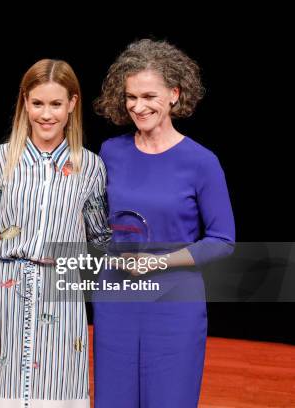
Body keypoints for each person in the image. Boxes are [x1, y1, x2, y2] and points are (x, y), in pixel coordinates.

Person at [92, 38, 236, 407]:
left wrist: (159, 261)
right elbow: (94, 219)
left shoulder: (201, 162)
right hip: (116, 300)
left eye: (149, 96)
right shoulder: (111, 152)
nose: (138, 107)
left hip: (174, 302)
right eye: (130, 97)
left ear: (174, 94)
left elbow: (222, 239)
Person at [0, 59, 111, 407]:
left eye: (56, 104)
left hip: (63, 298)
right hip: (5, 298)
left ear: (72, 104)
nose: (47, 114)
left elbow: (100, 242)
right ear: (25, 103)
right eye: (38, 103)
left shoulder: (90, 166)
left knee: (56, 392)